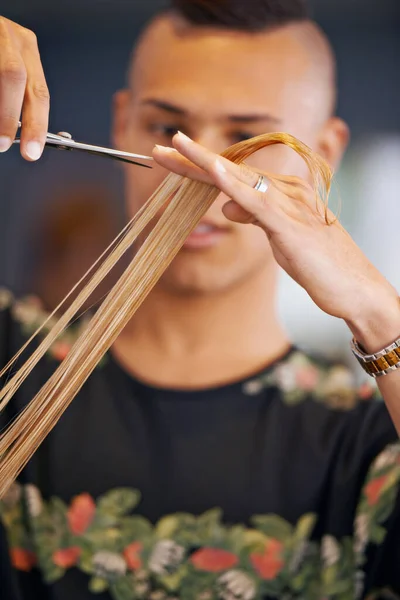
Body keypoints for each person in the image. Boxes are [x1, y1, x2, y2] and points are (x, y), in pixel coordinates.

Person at [0, 1, 400, 599]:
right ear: (121, 124)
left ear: (326, 150)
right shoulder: (13, 356)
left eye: (247, 137)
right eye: (167, 129)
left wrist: (375, 309)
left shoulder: (362, 441)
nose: (200, 169)